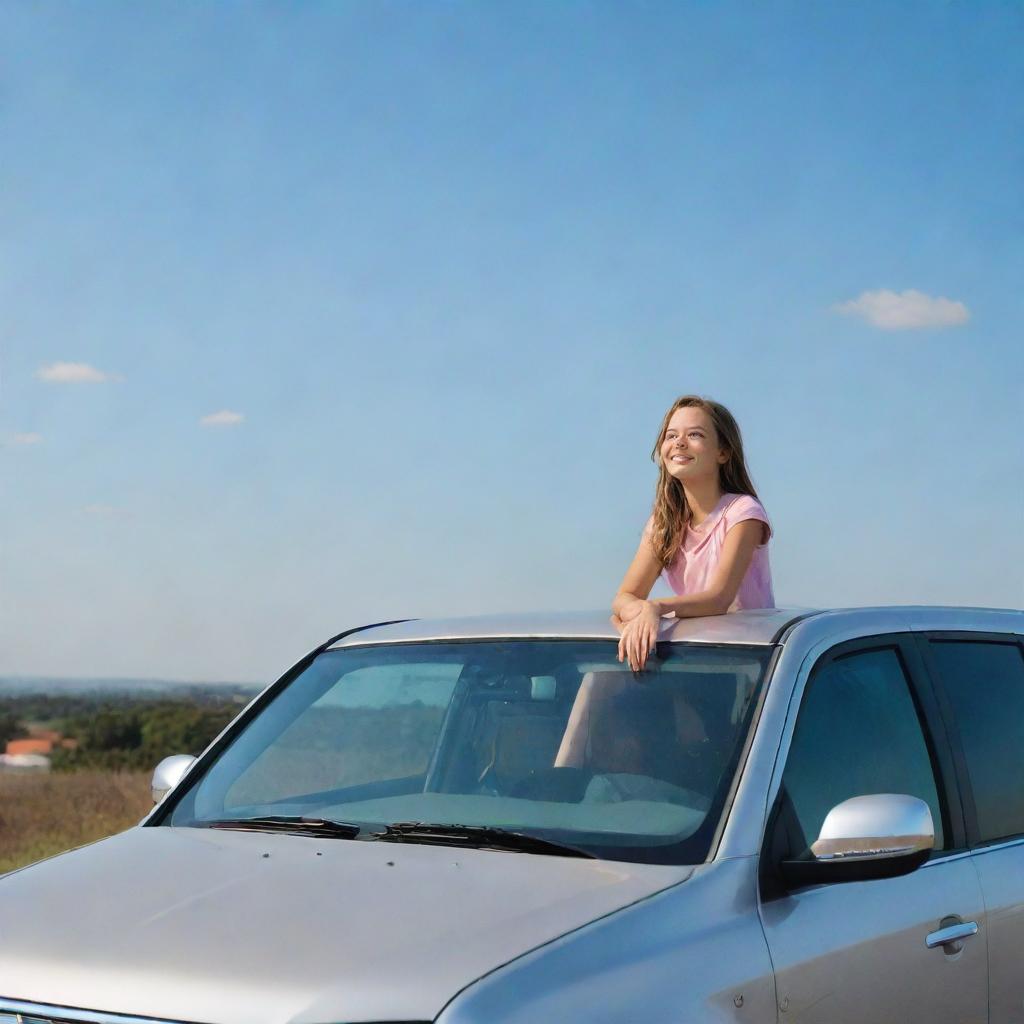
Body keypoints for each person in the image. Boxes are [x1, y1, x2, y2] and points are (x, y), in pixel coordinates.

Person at [612, 395, 774, 671]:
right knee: (599, 684)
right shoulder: (664, 524)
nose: (679, 443)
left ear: (723, 453)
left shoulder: (743, 512)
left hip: (746, 663)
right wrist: (639, 614)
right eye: (671, 435)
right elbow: (624, 597)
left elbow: (719, 599)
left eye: (695, 434)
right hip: (691, 658)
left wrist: (655, 608)